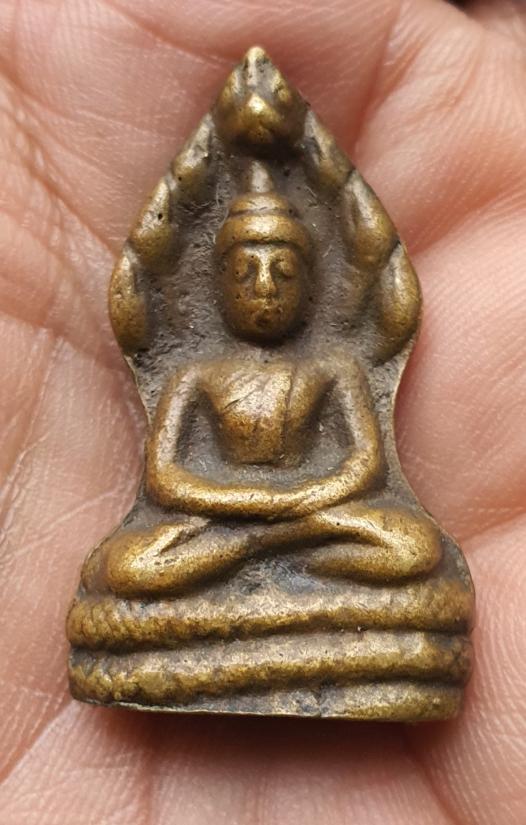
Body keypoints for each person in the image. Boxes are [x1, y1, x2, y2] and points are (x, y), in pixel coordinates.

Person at [1, 0, 525, 822]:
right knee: (126, 569)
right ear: (216, 284)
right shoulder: (196, 373)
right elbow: (167, 480)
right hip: (233, 529)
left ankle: (248, 610)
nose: (265, 288)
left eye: (283, 271)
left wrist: (282, 518)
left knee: (415, 550)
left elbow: (363, 469)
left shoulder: (333, 369)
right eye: (245, 272)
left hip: (310, 524)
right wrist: (265, 519)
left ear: (313, 283)